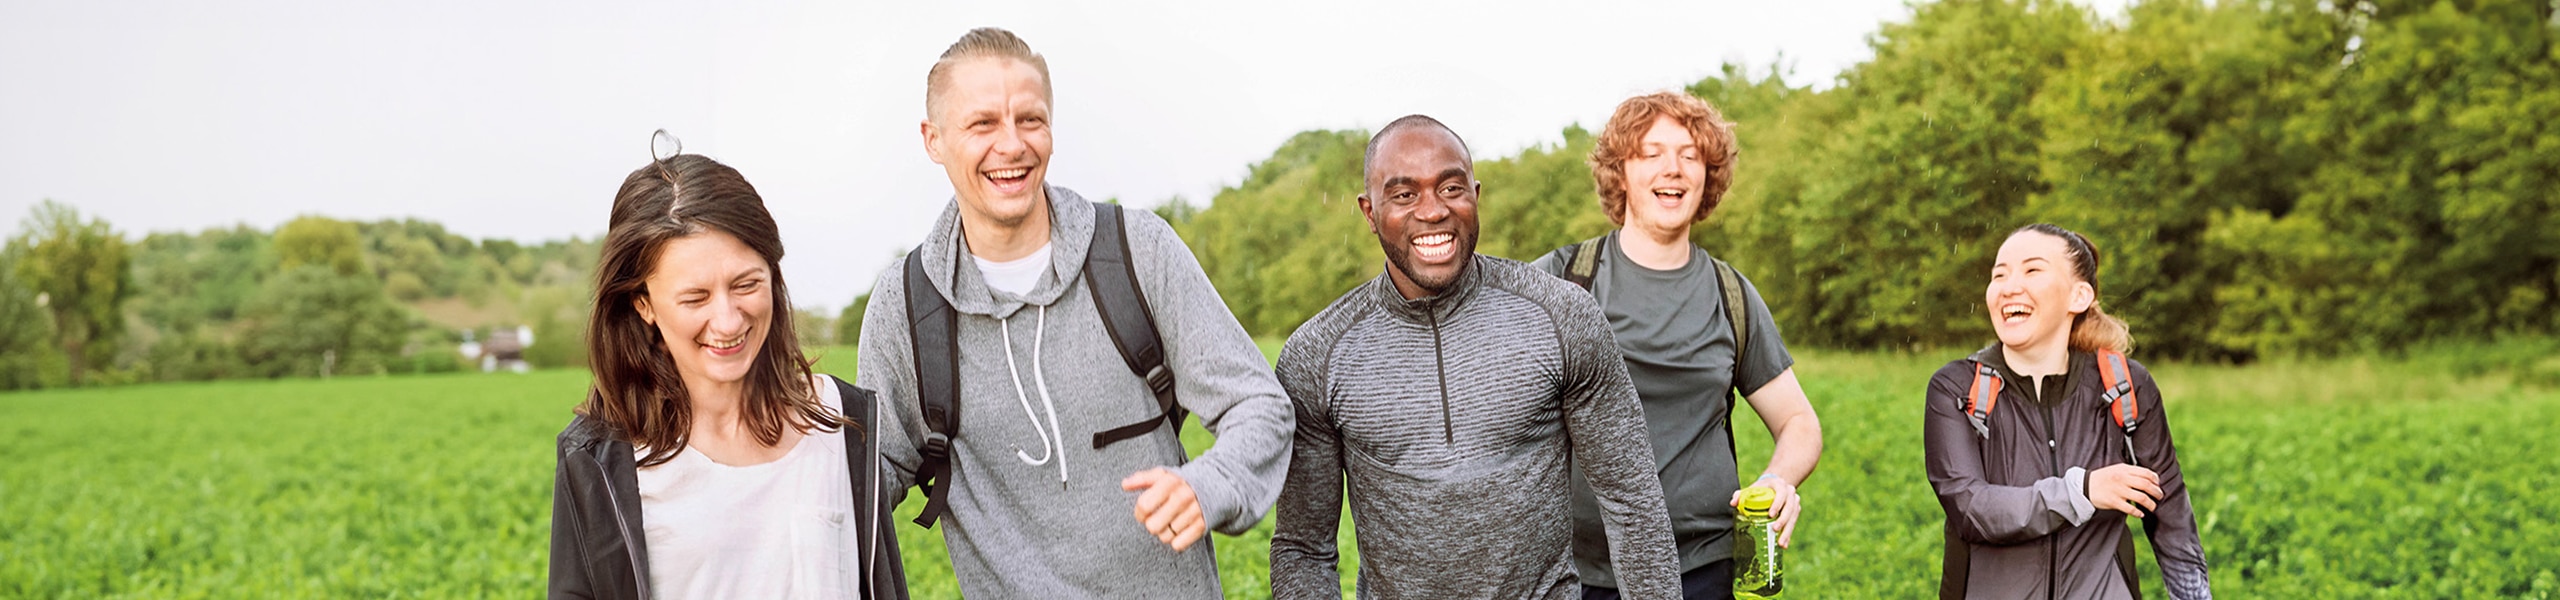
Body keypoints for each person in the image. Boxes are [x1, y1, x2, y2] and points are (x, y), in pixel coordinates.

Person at [854, 27, 1296, 598]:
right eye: (982, 123)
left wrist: (1212, 481)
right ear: (933, 139)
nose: (1012, 145)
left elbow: (1258, 403)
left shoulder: (1139, 251)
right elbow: (863, 478)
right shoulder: (905, 306)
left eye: (1030, 119)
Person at [1269, 114, 1682, 600]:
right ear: (1369, 212)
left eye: (1450, 188)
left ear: (1475, 195)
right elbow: (1304, 548)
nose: (1432, 211)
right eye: (1404, 195)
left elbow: (1631, 500)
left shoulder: (1562, 316)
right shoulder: (1317, 354)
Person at [549, 142, 907, 600]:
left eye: (746, 285)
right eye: (695, 298)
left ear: (773, 277)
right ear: (643, 304)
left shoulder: (840, 421)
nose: (728, 321)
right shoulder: (602, 460)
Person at [1528, 91, 1824, 600]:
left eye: (1690, 156)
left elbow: (1799, 423)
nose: (1674, 169)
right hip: (1577, 574)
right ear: (1621, 172)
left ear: (1708, 177)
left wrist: (1779, 478)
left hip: (1701, 571)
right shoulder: (1563, 280)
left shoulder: (1731, 295)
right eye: (1652, 153)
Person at [1924, 224, 2211, 599]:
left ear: (2079, 296)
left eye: (2032, 270)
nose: (2009, 286)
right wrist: (2083, 491)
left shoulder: (2123, 385)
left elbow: (2170, 512)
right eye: (2000, 274)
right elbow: (1972, 509)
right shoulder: (1958, 387)